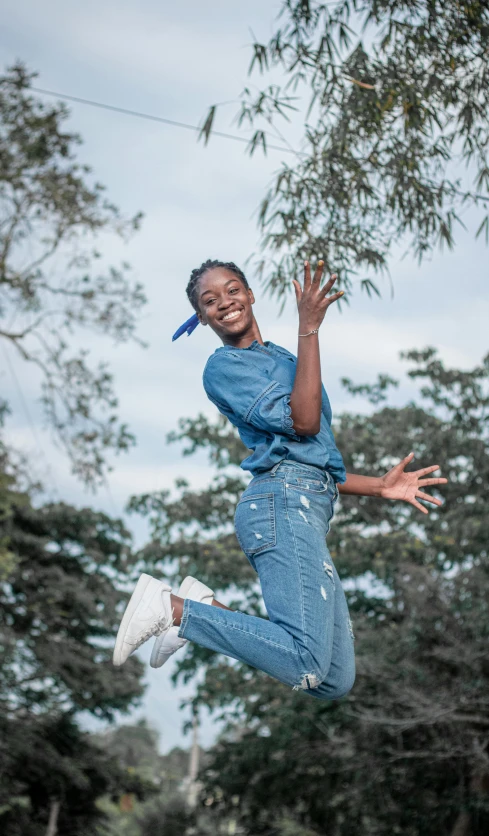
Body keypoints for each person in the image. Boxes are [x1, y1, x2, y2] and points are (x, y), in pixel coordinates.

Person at [113, 259, 447, 698]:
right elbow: (305, 423)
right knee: (305, 662)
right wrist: (309, 327)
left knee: (332, 680)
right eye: (209, 301)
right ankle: (173, 609)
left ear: (251, 295)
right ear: (201, 316)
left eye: (233, 291)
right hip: (279, 505)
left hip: (307, 502)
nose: (225, 303)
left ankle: (203, 611)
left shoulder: (285, 359)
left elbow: (313, 456)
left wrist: (380, 486)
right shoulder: (224, 367)